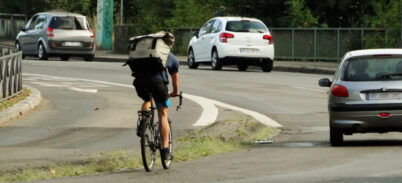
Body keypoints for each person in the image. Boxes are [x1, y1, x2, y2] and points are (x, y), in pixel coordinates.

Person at [133, 53, 179, 160]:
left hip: (139, 83)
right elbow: (175, 77)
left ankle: (144, 122)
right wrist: (175, 92)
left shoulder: (143, 53)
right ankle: (165, 150)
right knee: (162, 113)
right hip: (158, 84)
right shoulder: (168, 55)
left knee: (147, 99)